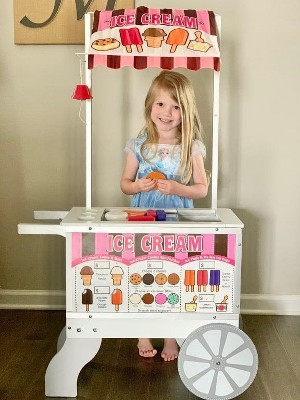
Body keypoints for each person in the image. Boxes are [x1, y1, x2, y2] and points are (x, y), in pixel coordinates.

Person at [120, 70, 209, 361]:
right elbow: (124, 184)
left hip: (176, 218)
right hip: (144, 215)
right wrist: (137, 185)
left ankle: (171, 335)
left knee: (174, 274)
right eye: (161, 104)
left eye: (176, 106)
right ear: (150, 106)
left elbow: (201, 189)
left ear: (186, 111)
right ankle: (143, 333)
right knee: (142, 271)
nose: (167, 113)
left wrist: (177, 188)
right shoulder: (138, 144)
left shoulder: (190, 146)